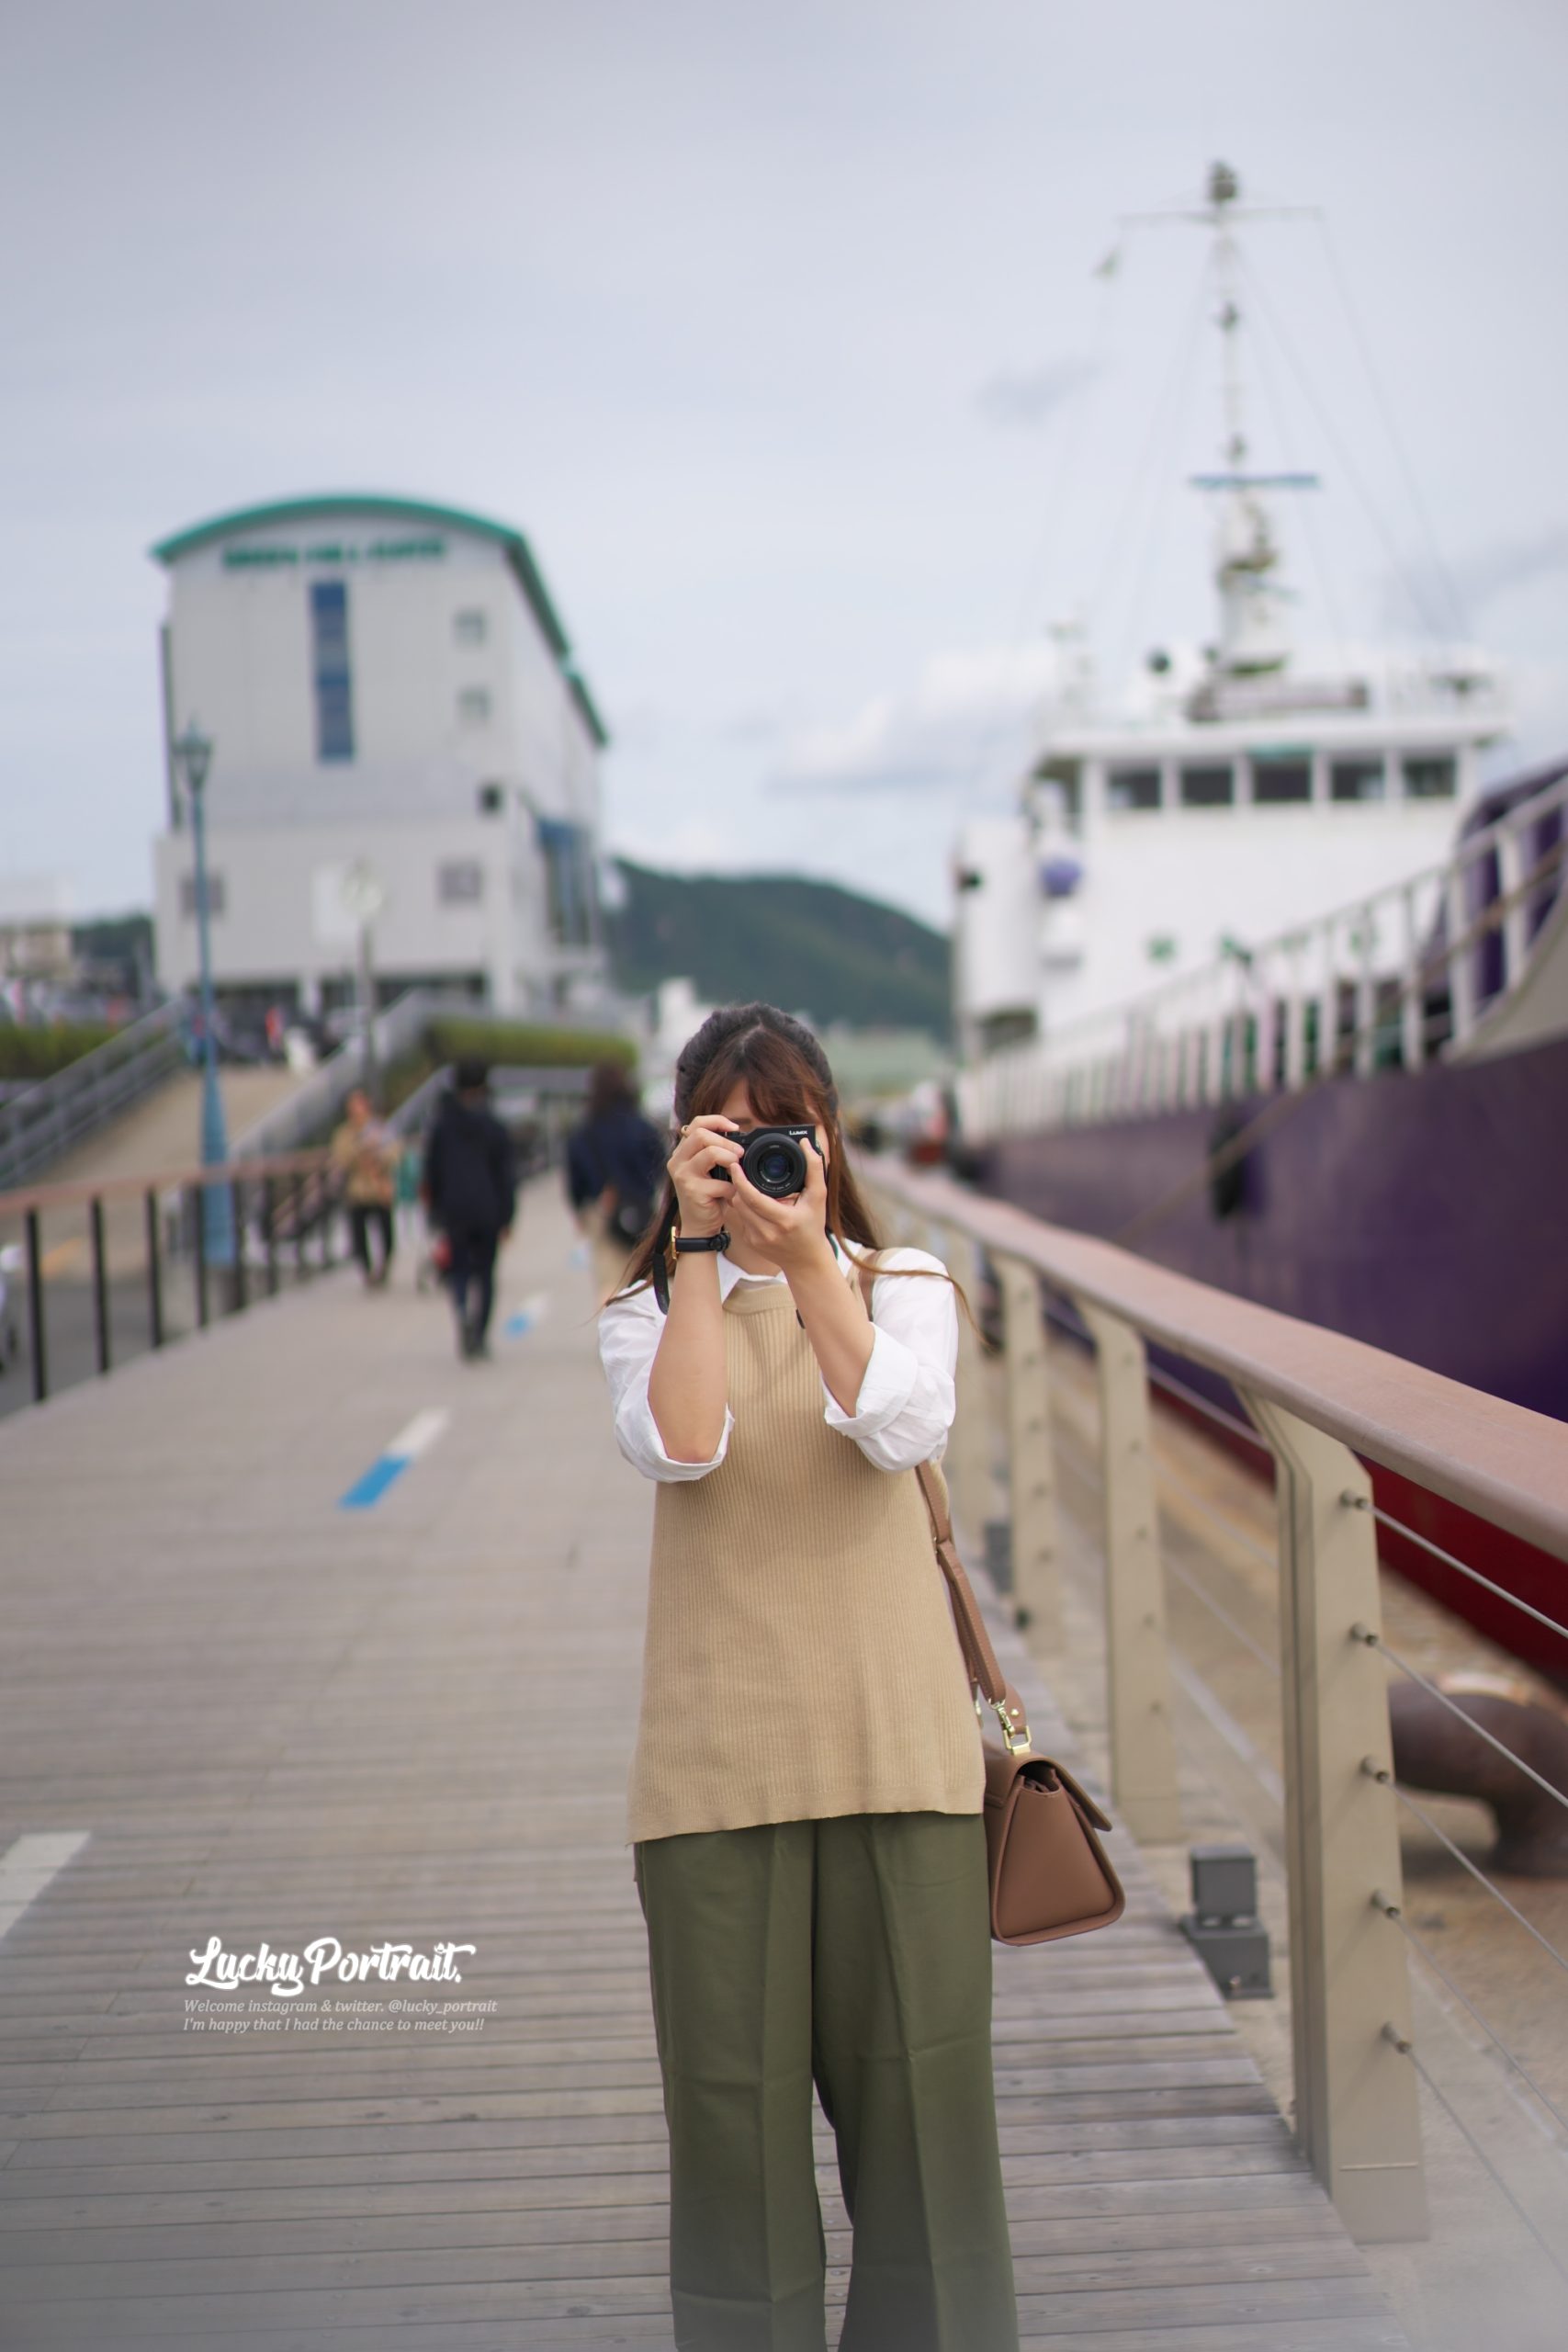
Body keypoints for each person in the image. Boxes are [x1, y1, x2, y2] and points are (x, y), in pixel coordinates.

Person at [596, 1001, 1020, 2352]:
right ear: (684, 1149)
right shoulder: (647, 1309)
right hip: (716, 1777)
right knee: (736, 2161)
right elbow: (684, 1443)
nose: (761, 1163)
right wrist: (701, 1254)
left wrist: (812, 1263)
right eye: (730, 1140)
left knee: (929, 2154)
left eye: (786, 1135)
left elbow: (902, 1426)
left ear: (829, 1140)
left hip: (899, 1759)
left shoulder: (905, 1285)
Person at [421, 1058, 516, 1359]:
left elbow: (432, 1171)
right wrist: (507, 1216)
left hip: (455, 1209)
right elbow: (505, 1175)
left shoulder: (442, 1125)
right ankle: (480, 1333)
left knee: (459, 1269)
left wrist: (436, 1209)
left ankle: (462, 1314)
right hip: (488, 1209)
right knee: (486, 1273)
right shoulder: (493, 1125)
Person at [565, 1059, 668, 1305]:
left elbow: (575, 1175)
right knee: (643, 1279)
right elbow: (661, 1164)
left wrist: (580, 1208)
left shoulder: (585, 1131)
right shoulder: (641, 1126)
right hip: (642, 1211)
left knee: (609, 1282)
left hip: (602, 1210)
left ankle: (612, 1325)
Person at [329, 1087, 398, 1287]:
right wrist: (360, 1148)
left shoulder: (379, 1128)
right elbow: (341, 1158)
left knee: (386, 1234)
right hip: (357, 1191)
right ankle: (367, 1271)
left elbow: (394, 1152)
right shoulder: (344, 1133)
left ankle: (384, 1267)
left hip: (379, 1188)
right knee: (359, 1236)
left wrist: (379, 1154)